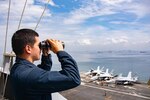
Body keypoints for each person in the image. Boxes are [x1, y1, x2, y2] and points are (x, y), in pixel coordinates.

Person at [10, 28, 81, 100]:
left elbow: (40, 73)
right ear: (28, 48)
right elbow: (73, 78)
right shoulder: (30, 75)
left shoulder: (17, 68)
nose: (40, 48)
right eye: (39, 45)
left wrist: (45, 55)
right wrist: (60, 51)